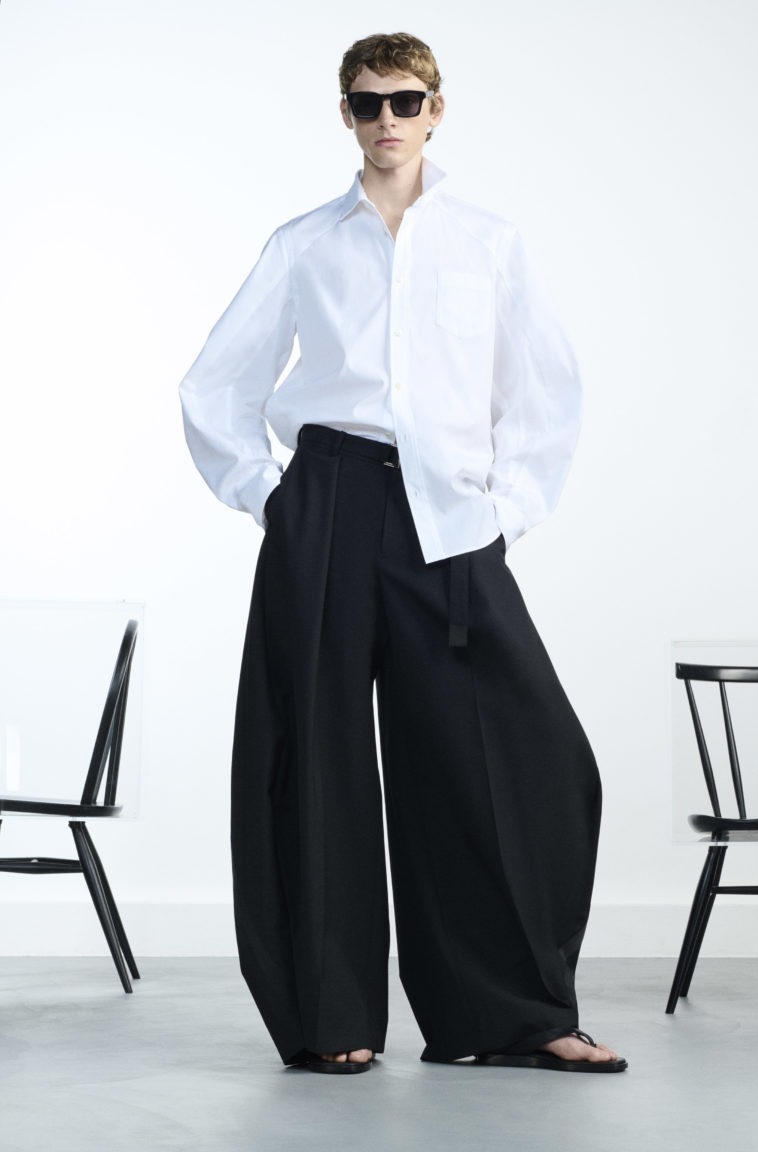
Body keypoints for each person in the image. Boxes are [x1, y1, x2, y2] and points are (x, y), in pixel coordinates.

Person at [179, 31, 627, 1076]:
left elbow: (544, 391)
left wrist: (501, 512)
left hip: (450, 520)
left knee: (520, 758)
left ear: (437, 109)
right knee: (314, 762)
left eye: (407, 100)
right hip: (328, 503)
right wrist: (273, 498)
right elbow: (215, 386)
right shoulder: (304, 244)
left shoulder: (488, 242)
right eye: (369, 102)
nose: (389, 120)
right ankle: (330, 1017)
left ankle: (515, 1017)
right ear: (346, 113)